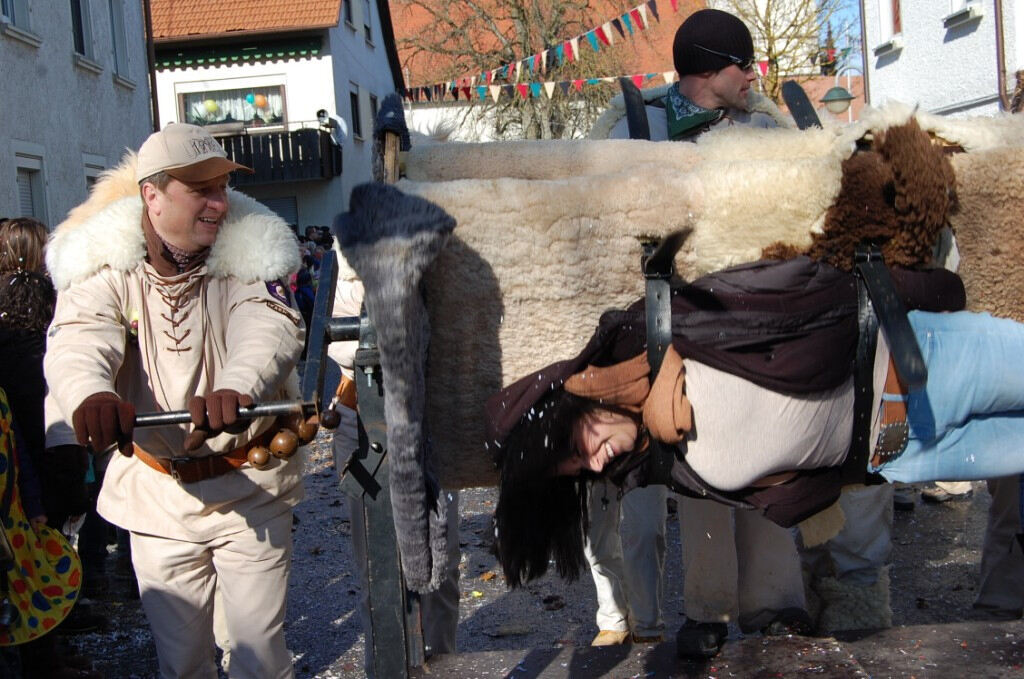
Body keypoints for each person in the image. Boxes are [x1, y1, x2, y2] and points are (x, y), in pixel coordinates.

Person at [43, 123, 307, 678]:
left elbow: (267, 325)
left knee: (260, 657)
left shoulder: (252, 244)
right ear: (152, 195)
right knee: (182, 665)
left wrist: (240, 385)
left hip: (249, 488)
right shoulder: (103, 262)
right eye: (201, 190)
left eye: (222, 186)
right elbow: (80, 335)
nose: (219, 202)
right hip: (157, 494)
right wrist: (89, 393)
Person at [588, 8, 808, 654]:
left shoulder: (767, 127)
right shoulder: (633, 126)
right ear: (711, 69)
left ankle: (774, 600)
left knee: (769, 460)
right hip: (677, 324)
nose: (754, 75)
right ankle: (708, 611)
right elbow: (602, 216)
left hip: (760, 315)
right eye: (745, 64)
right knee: (702, 460)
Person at [327, 243, 461, 675]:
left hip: (427, 419)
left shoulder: (437, 268)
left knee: (442, 562)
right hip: (363, 423)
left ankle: (441, 661)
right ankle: (383, 666)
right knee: (378, 569)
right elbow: (344, 347)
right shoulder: (343, 276)